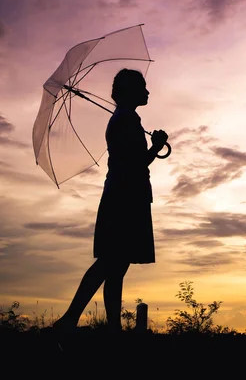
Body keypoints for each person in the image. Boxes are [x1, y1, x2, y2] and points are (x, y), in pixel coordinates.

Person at [53, 68, 168, 336]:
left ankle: (109, 328)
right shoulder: (125, 121)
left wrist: (153, 146)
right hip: (124, 200)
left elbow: (133, 162)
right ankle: (70, 321)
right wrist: (156, 147)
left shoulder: (126, 119)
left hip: (123, 196)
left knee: (115, 266)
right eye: (143, 87)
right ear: (131, 91)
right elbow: (135, 164)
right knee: (110, 263)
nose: (148, 91)